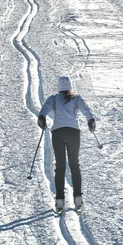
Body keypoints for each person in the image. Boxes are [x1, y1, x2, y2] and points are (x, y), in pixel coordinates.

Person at [37, 76, 95, 212]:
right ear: (70, 86)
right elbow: (86, 111)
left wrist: (42, 119)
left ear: (59, 88)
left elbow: (44, 110)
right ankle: (78, 199)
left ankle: (59, 201)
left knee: (60, 166)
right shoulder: (77, 98)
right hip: (73, 132)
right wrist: (90, 121)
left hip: (58, 132)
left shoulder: (53, 99)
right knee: (74, 165)